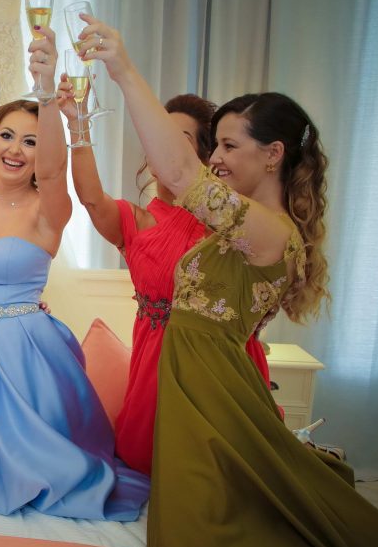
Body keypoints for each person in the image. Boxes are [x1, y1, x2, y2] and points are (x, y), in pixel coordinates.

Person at [78, 13, 378, 547]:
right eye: (216, 145)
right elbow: (156, 191)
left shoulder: (268, 232)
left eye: (229, 146)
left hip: (215, 395)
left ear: (273, 154)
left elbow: (179, 172)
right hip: (190, 388)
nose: (215, 158)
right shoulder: (230, 226)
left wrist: (123, 70)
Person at [0, 27, 150, 520]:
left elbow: (55, 173)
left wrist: (46, 90)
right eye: (7, 135)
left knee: (45, 464)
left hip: (26, 354)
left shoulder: (48, 210)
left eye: (30, 142)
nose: (15, 149)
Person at [58, 83, 273, 475]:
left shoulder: (228, 221)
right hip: (157, 372)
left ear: (203, 156)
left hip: (220, 371)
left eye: (179, 139)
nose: (162, 146)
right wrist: (77, 123)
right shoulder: (137, 222)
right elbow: (90, 197)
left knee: (225, 471)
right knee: (154, 463)